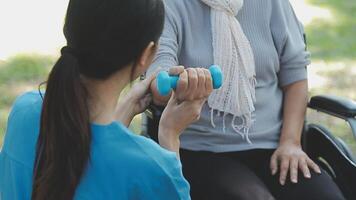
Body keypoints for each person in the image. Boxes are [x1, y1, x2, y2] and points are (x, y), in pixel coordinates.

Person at [0, 0, 214, 199]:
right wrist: (170, 134)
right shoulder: (152, 167)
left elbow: (88, 164)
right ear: (146, 55)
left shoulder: (25, 111)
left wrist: (125, 109)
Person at [148, 0, 346, 199]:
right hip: (201, 149)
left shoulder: (272, 4)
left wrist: (290, 142)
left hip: (274, 145)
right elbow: (158, 81)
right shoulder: (170, 5)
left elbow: (295, 77)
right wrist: (182, 86)